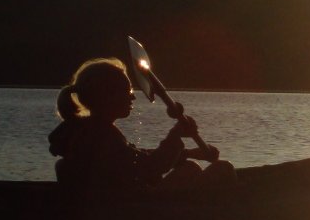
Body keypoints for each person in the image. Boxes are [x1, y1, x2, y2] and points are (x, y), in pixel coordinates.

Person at [48, 57, 233, 190]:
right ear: (106, 96)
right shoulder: (100, 135)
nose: (133, 96)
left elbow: (133, 157)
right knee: (222, 169)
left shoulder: (86, 130)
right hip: (132, 211)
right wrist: (175, 136)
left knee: (190, 168)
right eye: (126, 91)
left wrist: (189, 153)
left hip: (125, 205)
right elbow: (150, 168)